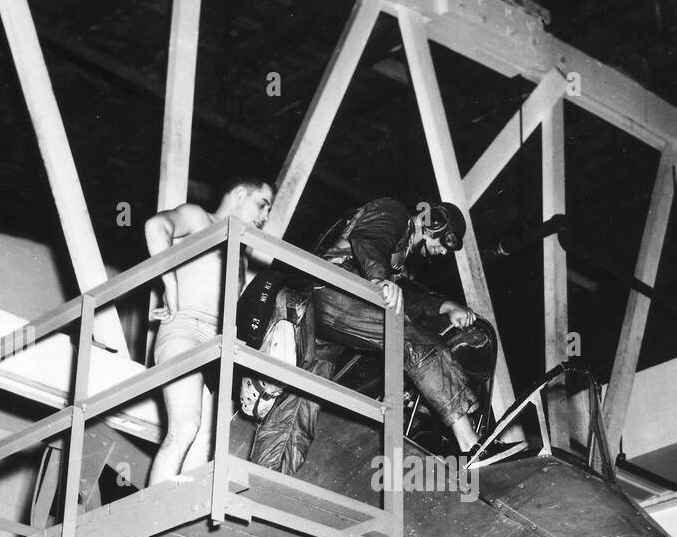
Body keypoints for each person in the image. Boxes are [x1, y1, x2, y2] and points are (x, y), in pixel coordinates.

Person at [248, 198, 495, 474]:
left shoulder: (400, 256)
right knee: (414, 340)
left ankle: (267, 476)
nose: (443, 252)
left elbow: (404, 293)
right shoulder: (394, 212)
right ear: (433, 222)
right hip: (333, 292)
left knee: (302, 402)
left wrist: (444, 306)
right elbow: (367, 238)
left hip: (321, 318)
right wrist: (379, 279)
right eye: (445, 242)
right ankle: (470, 444)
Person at [144, 177, 274, 484]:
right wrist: (170, 284)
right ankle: (151, 517)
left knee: (204, 442)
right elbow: (154, 227)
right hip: (185, 329)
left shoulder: (239, 251)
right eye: (262, 204)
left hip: (219, 341)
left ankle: (177, 522)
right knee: (185, 427)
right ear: (241, 193)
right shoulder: (198, 217)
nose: (265, 216)